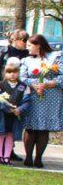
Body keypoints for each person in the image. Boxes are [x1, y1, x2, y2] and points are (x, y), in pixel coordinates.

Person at [20, 33, 62, 168]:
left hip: (50, 96)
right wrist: (35, 85)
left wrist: (49, 84)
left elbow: (62, 76)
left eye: (29, 45)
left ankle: (38, 158)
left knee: (44, 128)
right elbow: (23, 76)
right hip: (34, 95)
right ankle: (28, 157)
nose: (27, 48)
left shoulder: (56, 57)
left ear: (38, 45)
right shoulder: (27, 60)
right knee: (31, 127)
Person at [0, 59, 30, 164]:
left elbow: (27, 101)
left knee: (10, 136)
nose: (12, 74)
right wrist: (8, 109)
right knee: (0, 134)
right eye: (9, 72)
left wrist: (19, 109)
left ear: (18, 73)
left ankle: (7, 157)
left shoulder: (24, 87)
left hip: (16, 116)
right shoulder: (0, 85)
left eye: (15, 72)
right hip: (2, 115)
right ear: (5, 73)